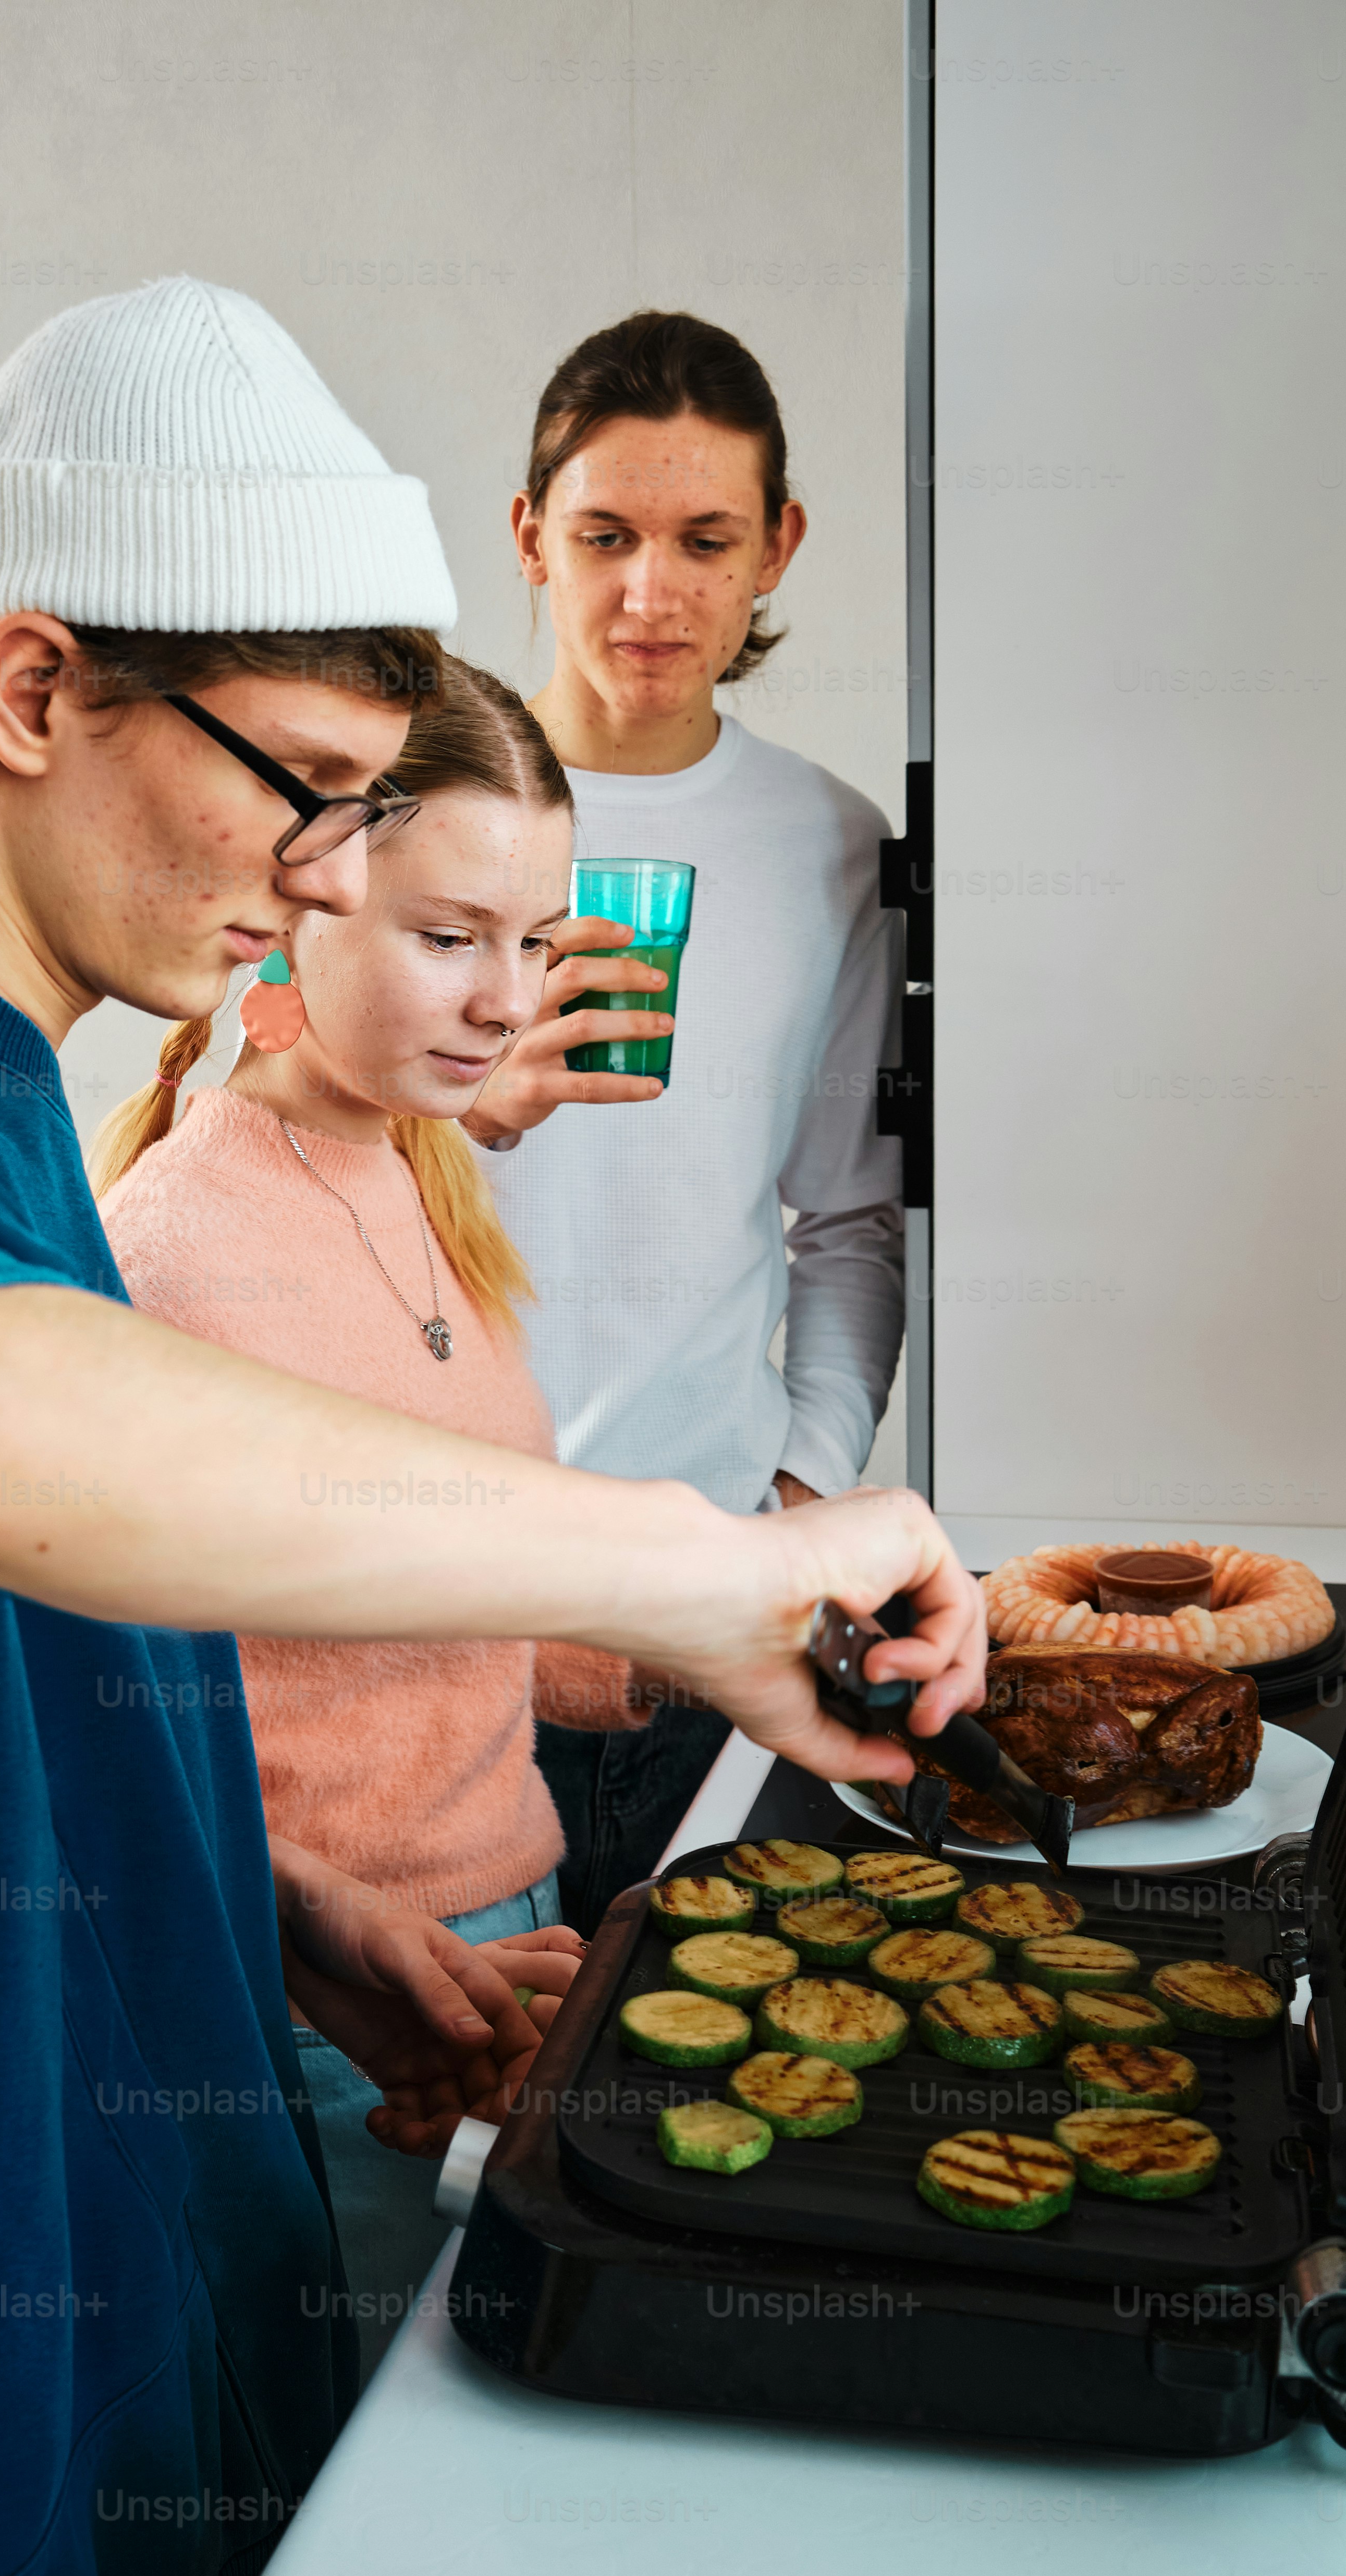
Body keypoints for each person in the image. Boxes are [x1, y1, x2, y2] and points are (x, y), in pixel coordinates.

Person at [0, 277, 981, 2576]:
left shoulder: (18, 1092)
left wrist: (273, 1915)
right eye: (300, 788)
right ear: (32, 692)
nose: (330, 872)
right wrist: (701, 1573)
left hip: (127, 2292)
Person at [99, 658, 676, 2371]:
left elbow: (442, 1590)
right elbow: (105, 1727)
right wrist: (329, 1938)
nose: (507, 1000)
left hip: (520, 1932)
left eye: (536, 936)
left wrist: (707, 1650)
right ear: (303, 897)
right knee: (354, 2477)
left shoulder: (425, 1170)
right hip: (324, 2003)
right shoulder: (165, 1254)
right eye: (448, 936)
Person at [460, 309, 908, 1934]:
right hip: (440, 1591)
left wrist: (793, 1499)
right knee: (439, 2110)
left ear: (776, 547)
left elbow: (847, 1218)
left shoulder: (828, 844)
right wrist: (469, 1114)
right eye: (603, 537)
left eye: (704, 540)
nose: (650, 594)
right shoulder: (396, 811)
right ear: (528, 537)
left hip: (705, 1606)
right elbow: (268, 1178)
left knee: (678, 2084)